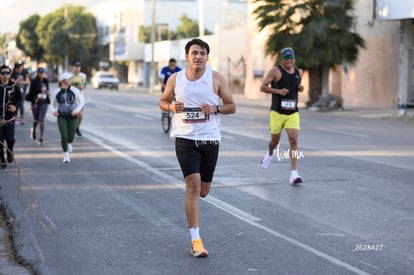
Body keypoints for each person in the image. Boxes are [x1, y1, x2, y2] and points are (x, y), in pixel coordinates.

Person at [159, 38, 236, 257]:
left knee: (203, 191)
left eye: (202, 53)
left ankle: (196, 235)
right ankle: (196, 241)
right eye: (194, 52)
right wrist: (171, 106)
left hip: (210, 139)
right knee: (192, 187)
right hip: (185, 139)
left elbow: (232, 106)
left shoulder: (216, 77)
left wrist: (215, 108)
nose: (198, 56)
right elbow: (162, 101)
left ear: (207, 56)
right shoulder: (176, 79)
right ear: (187, 56)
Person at [259, 47, 304, 184]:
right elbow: (263, 87)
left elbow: (296, 85)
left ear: (294, 59)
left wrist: (300, 88)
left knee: (293, 139)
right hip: (277, 112)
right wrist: (278, 91)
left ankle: (294, 174)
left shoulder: (299, 72)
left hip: (293, 113)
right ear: (282, 60)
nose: (289, 60)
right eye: (287, 58)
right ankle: (270, 153)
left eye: (292, 57)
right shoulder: (275, 71)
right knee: (275, 141)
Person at [50, 72, 84, 163]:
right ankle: (66, 155)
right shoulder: (56, 92)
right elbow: (52, 104)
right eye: (68, 79)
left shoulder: (75, 90)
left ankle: (69, 143)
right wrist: (53, 111)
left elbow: (81, 102)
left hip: (73, 117)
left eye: (70, 79)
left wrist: (76, 110)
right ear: (63, 81)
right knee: (64, 136)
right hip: (62, 117)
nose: (70, 80)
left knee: (71, 136)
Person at [0, 65, 20, 168]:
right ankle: (2, 159)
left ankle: (10, 152)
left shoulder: (13, 86)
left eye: (7, 73)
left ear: (10, 73)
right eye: (3, 73)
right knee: (0, 139)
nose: (5, 75)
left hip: (9, 118)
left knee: (10, 139)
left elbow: (19, 99)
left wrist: (15, 107)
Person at [25, 67, 50, 145]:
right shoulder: (34, 81)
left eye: (43, 72)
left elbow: (47, 90)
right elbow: (31, 92)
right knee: (36, 119)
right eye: (40, 73)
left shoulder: (46, 81)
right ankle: (33, 130)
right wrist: (39, 91)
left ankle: (41, 138)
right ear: (38, 73)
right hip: (35, 102)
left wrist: (47, 92)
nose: (41, 74)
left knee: (41, 119)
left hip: (44, 102)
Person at [70, 61, 87, 137]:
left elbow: (83, 86)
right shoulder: (69, 76)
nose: (77, 68)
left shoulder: (83, 76)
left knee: (80, 115)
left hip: (80, 98)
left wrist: (80, 87)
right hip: (70, 98)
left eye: (78, 67)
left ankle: (77, 127)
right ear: (72, 68)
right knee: (73, 114)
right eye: (75, 67)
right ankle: (71, 128)